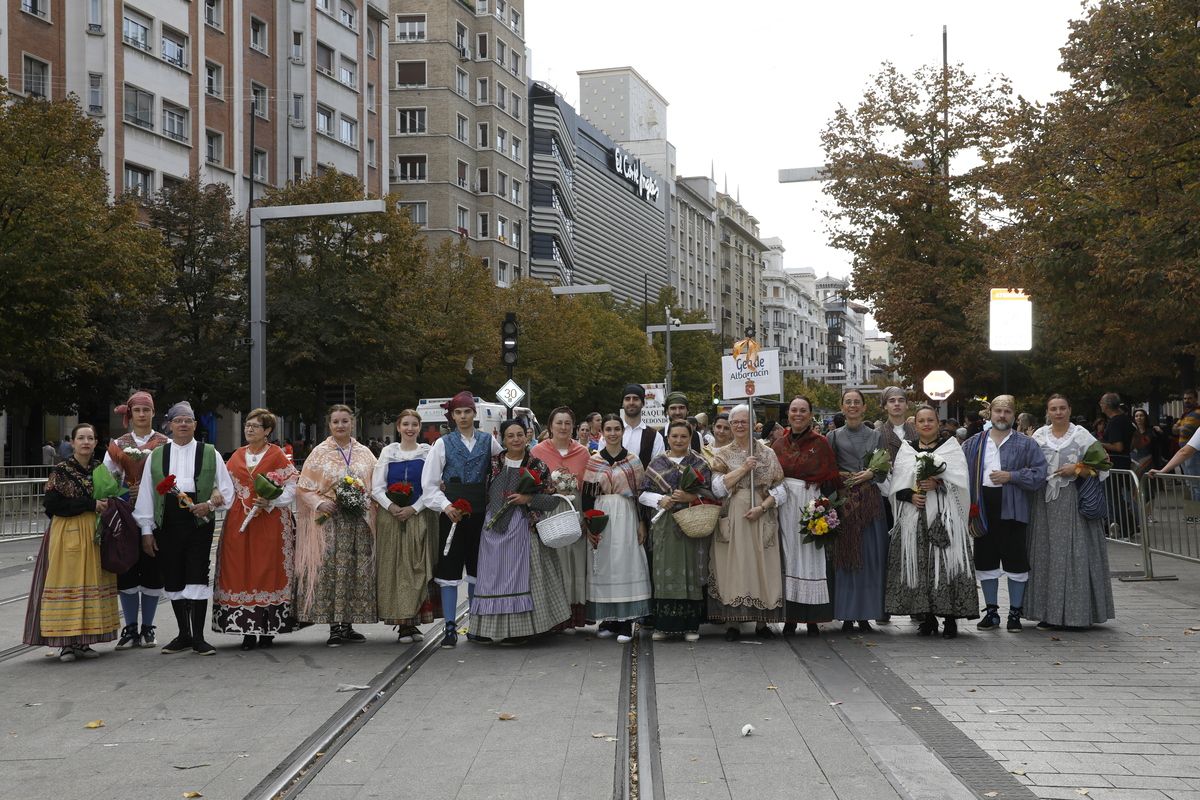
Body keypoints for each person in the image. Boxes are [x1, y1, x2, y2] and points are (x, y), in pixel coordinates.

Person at [133, 401, 234, 655]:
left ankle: (199, 637)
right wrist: (146, 531)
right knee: (174, 575)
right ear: (170, 425)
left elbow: (227, 491)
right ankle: (183, 635)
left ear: (195, 425)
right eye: (178, 421)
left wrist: (209, 505)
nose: (183, 425)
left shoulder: (211, 453)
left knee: (197, 574)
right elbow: (146, 494)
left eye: (188, 420)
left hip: (199, 523)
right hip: (167, 523)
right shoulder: (157, 455)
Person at [23, 423, 120, 662]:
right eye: (81, 438)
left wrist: (107, 503)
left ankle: (84, 641)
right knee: (68, 581)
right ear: (73, 442)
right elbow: (52, 506)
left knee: (90, 583)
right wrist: (89, 505)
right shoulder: (61, 471)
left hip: (93, 532)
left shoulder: (99, 469)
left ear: (96, 443)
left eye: (90, 438)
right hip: (68, 531)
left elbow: (108, 495)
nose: (86, 442)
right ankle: (65, 643)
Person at [469, 420, 569, 642]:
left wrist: (528, 498)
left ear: (526, 437)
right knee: (492, 578)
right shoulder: (492, 464)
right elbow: (479, 492)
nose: (516, 439)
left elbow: (551, 501)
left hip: (526, 527)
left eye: (520, 435)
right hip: (494, 529)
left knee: (524, 578)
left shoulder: (538, 466)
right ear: (503, 440)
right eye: (510, 436)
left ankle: (522, 630)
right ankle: (488, 629)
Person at [886, 405, 977, 638]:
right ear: (915, 425)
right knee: (920, 563)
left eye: (931, 420)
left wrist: (939, 483)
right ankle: (926, 618)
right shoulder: (907, 450)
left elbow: (961, 482)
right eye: (921, 421)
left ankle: (949, 619)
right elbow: (897, 486)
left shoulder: (950, 448)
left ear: (938, 423)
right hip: (915, 518)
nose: (926, 424)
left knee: (946, 564)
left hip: (945, 518)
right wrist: (911, 495)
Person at [212, 408, 300, 650]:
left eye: (255, 426)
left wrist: (272, 501)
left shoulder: (277, 455)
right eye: (247, 425)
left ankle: (268, 629)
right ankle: (246, 629)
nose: (249, 429)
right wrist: (216, 494)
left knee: (267, 568)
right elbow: (225, 484)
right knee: (240, 569)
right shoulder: (237, 456)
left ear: (267, 431)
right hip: (239, 519)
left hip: (269, 520)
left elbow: (293, 486)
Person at [1025, 395, 1115, 629]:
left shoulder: (1081, 435)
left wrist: (1077, 468)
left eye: (1062, 408)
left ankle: (1077, 613)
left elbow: (1103, 465)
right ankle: (1047, 613)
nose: (1058, 412)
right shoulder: (1038, 436)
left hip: (1072, 499)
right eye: (1053, 409)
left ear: (1069, 410)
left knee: (1074, 553)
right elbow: (1028, 463)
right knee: (1046, 554)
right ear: (1048, 412)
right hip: (1043, 501)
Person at [422, 391, 502, 648]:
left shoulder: (488, 441)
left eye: (467, 412)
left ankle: (477, 624)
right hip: (452, 516)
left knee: (478, 569)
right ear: (452, 416)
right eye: (458, 412)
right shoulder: (443, 444)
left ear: (474, 413)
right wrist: (446, 506)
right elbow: (429, 485)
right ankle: (449, 627)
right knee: (449, 570)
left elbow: (501, 471)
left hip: (481, 514)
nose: (463, 417)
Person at [962, 395, 1048, 632]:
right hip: (982, 506)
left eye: (1007, 412)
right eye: (998, 411)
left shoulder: (1026, 443)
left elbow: (1040, 474)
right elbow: (958, 472)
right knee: (985, 559)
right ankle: (991, 612)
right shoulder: (973, 443)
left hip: (1014, 507)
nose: (1002, 415)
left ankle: (1014, 614)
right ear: (990, 413)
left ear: (1014, 415)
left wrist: (1012, 476)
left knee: (1016, 561)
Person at [294, 404, 378, 647]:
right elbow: (304, 486)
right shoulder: (320, 452)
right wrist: (320, 503)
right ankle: (334, 627)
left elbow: (375, 481)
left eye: (345, 421)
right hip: (331, 520)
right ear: (329, 425)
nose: (340, 425)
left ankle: (348, 624)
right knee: (332, 571)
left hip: (359, 521)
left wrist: (363, 498)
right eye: (336, 422)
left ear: (352, 423)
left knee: (354, 569)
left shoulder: (364, 452)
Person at [709, 404, 785, 640]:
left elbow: (781, 489)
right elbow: (717, 488)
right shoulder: (722, 454)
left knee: (763, 563)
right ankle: (733, 622)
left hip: (762, 512)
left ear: (754, 424)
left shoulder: (767, 453)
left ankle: (763, 622)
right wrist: (743, 468)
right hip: (733, 513)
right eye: (735, 422)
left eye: (744, 421)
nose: (740, 426)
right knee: (735, 564)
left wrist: (763, 507)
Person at [103, 390, 169, 649]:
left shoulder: (166, 443)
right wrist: (124, 489)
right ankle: (130, 627)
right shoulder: (118, 445)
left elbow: (174, 477)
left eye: (146, 410)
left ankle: (148, 627)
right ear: (130, 415)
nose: (142, 415)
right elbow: (106, 481)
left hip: (156, 516)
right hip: (125, 516)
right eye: (137, 411)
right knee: (127, 570)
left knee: (153, 570)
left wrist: (150, 490)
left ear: (153, 413)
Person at [771, 396, 841, 637]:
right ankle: (789, 618)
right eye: (793, 410)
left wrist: (825, 509)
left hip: (810, 504)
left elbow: (831, 479)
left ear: (810, 414)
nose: (798, 414)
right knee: (787, 557)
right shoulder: (778, 444)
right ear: (788, 414)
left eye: (803, 410)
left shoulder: (820, 443)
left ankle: (813, 618)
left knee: (812, 558)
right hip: (783, 505)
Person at [639, 420, 715, 641]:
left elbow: (711, 493)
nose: (679, 440)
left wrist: (690, 496)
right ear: (667, 438)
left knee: (690, 571)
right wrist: (660, 499)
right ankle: (663, 626)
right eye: (675, 436)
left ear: (690, 437)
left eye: (684, 436)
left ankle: (691, 626)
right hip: (664, 525)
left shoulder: (699, 463)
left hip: (692, 523)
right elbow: (642, 494)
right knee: (663, 571)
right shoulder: (656, 463)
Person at [372, 410, 440, 643]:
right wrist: (392, 507)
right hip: (391, 518)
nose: (410, 429)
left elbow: (432, 487)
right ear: (398, 427)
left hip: (419, 514)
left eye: (414, 424)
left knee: (418, 566)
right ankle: (402, 624)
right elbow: (377, 488)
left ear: (419, 428)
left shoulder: (427, 452)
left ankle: (416, 620)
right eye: (405, 424)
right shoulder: (388, 452)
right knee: (396, 569)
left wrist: (414, 508)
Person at [825, 389, 890, 632]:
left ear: (864, 407)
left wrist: (872, 473)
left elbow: (884, 469)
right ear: (842, 407)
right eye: (848, 402)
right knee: (846, 558)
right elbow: (828, 471)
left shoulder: (877, 436)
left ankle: (867, 614)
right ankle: (847, 614)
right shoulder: (832, 436)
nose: (852, 406)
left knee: (870, 558)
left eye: (857, 403)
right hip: (844, 504)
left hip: (871, 504)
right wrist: (842, 475)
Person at [583, 414, 650, 643]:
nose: (612, 433)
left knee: (625, 563)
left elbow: (641, 495)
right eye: (608, 429)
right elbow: (587, 496)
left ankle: (626, 621)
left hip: (626, 515)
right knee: (604, 565)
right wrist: (589, 523)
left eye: (616, 429)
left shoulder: (633, 461)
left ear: (622, 432)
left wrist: (642, 523)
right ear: (602, 432)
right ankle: (608, 619)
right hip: (602, 515)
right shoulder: (594, 461)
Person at [531, 407, 591, 630]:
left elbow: (588, 488)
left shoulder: (583, 453)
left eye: (568, 423)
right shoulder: (537, 451)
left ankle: (575, 614)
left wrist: (585, 517)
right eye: (559, 423)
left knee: (576, 561)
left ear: (573, 426)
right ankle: (556, 616)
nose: (563, 427)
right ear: (550, 426)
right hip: (550, 511)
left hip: (575, 510)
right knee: (554, 561)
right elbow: (532, 486)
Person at [622, 384, 665, 469]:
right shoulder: (610, 433)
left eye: (636, 399)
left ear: (643, 403)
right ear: (622, 403)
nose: (631, 402)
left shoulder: (655, 436)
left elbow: (659, 468)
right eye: (627, 399)